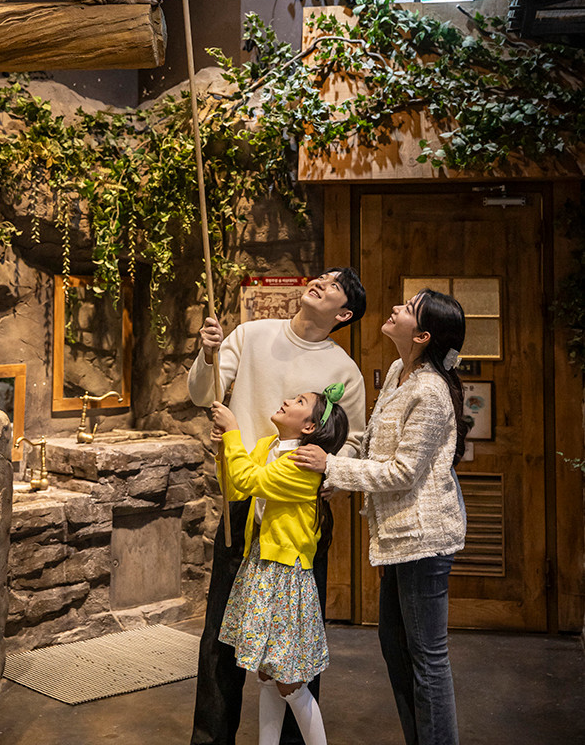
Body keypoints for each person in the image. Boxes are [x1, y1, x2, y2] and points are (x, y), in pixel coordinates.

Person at [188, 267, 367, 745]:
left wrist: (332, 473)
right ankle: (211, 738)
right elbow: (202, 394)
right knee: (222, 633)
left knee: (294, 643)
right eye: (322, 275)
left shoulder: (344, 369)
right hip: (243, 502)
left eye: (334, 285)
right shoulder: (250, 334)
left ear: (343, 313)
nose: (321, 281)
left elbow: (354, 441)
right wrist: (208, 354)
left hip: (299, 513)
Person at [292, 288, 467, 745]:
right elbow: (377, 443)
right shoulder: (397, 372)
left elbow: (405, 471)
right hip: (398, 536)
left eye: (408, 310)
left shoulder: (430, 390)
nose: (396, 308)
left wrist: (330, 464)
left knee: (427, 658)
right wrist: (340, 477)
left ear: (423, 335)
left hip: (425, 538)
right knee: (396, 648)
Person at [210, 383, 350, 745]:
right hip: (261, 565)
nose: (287, 400)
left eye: (299, 402)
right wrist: (222, 449)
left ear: (308, 427)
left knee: (289, 681)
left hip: (285, 575)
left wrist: (233, 431)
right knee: (267, 676)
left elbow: (250, 479)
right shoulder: (267, 447)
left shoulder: (302, 463)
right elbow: (236, 488)